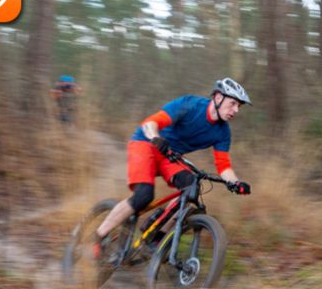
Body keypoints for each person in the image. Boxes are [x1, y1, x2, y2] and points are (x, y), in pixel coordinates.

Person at [94, 77, 252, 257]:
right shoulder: (190, 105)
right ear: (218, 98)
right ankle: (100, 234)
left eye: (239, 106)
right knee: (144, 195)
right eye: (233, 104)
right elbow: (151, 123)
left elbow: (223, 166)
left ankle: (155, 237)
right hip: (145, 144)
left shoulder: (223, 132)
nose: (236, 110)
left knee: (191, 187)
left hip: (170, 156)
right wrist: (155, 137)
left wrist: (236, 183)